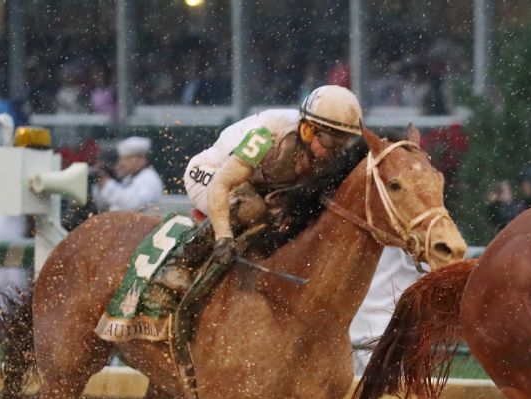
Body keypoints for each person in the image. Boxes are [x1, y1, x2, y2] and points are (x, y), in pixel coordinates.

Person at [159, 85, 363, 300]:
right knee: (252, 207)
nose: (336, 153)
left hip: (256, 183)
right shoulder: (269, 134)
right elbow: (221, 184)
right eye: (332, 142)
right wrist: (224, 237)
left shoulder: (318, 151)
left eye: (344, 144)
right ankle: (181, 263)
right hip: (212, 174)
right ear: (307, 130)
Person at [92, 136, 164, 212]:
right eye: (121, 159)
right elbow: (104, 205)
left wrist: (107, 184)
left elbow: (134, 204)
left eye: (127, 159)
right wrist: (100, 185)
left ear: (142, 159)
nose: (121, 163)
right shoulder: (129, 178)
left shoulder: (149, 179)